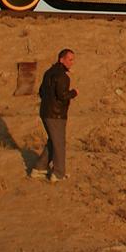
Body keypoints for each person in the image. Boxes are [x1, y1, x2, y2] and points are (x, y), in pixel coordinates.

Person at [31, 48, 78, 182]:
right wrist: (74, 92)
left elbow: (41, 91)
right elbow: (63, 96)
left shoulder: (48, 73)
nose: (72, 62)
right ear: (61, 59)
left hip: (45, 112)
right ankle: (58, 173)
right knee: (59, 143)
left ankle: (39, 168)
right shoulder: (62, 76)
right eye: (70, 59)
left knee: (53, 141)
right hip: (56, 115)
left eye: (73, 59)